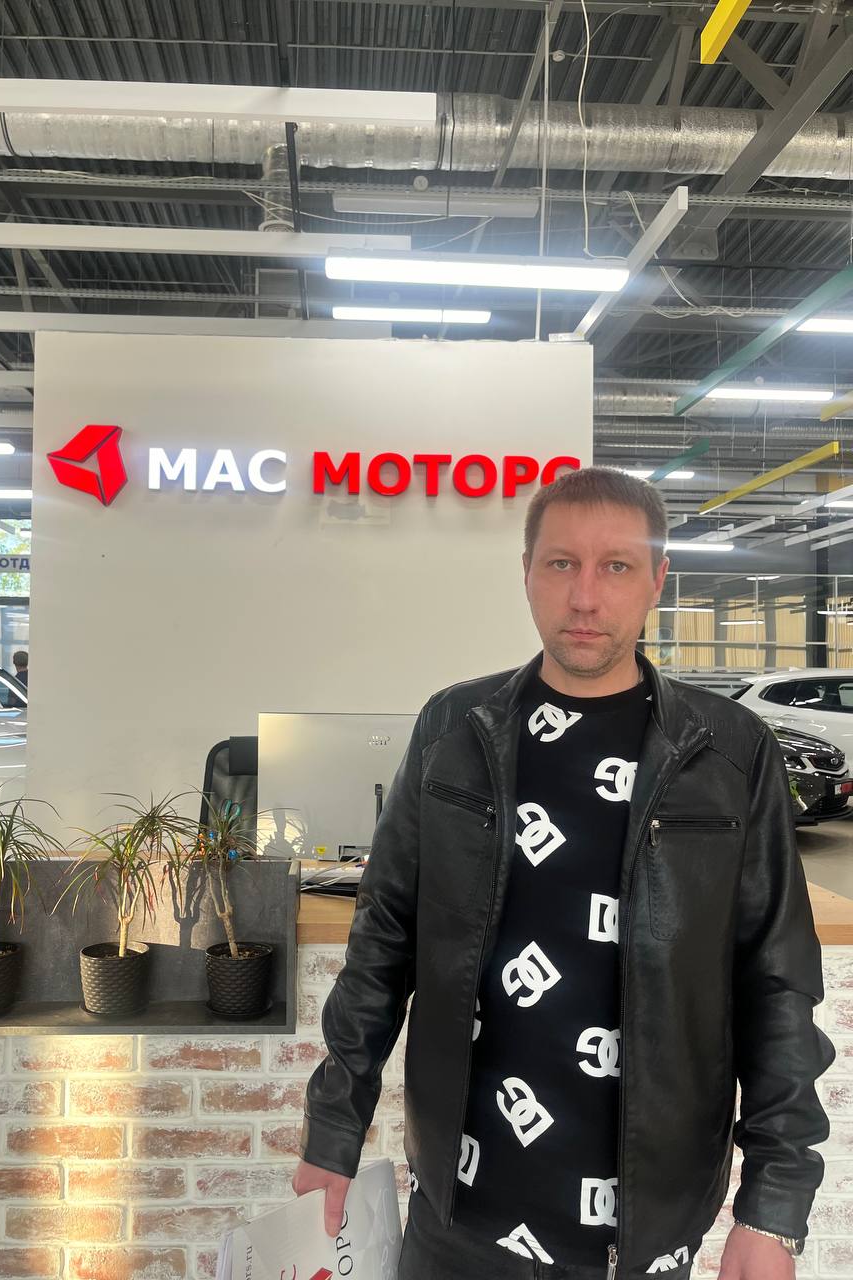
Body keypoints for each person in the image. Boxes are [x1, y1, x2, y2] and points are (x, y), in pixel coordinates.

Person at [292, 467, 834, 1280]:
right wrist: (334, 1133)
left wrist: (775, 1207)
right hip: (458, 1207)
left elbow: (777, 980)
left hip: (643, 1223)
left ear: (656, 579)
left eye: (616, 566)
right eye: (561, 564)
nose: (585, 597)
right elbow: (383, 944)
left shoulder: (728, 751)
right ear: (526, 573)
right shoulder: (454, 728)